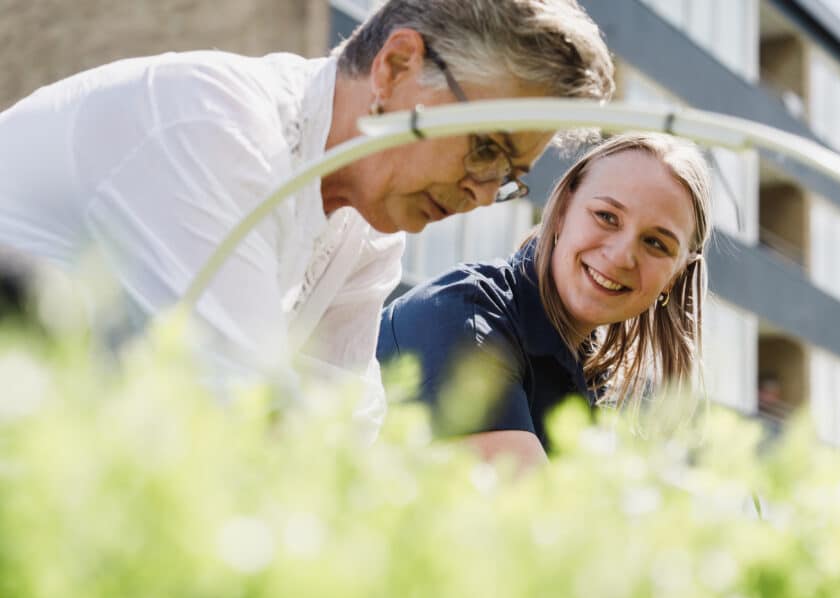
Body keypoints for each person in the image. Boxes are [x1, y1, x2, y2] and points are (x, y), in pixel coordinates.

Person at [0, 0, 614, 392]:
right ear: (396, 67)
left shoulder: (370, 227)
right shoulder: (215, 125)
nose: (482, 195)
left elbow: (341, 423)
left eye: (509, 175)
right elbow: (232, 404)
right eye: (484, 146)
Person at [377, 133, 713, 469]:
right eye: (607, 217)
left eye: (655, 243)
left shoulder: (589, 381)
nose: (622, 255)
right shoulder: (466, 318)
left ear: (676, 275)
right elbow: (531, 510)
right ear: (565, 208)